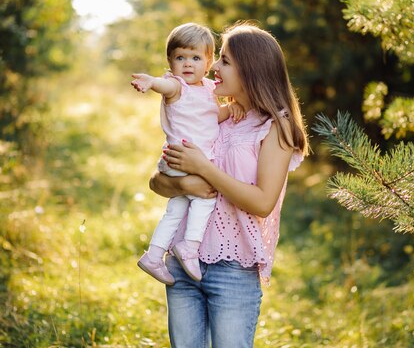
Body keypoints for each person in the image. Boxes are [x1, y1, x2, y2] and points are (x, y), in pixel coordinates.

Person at [149, 21, 309, 348]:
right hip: (182, 263)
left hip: (232, 270)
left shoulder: (275, 126)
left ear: (250, 70)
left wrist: (204, 169)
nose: (214, 67)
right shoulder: (211, 115)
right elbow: (157, 182)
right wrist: (188, 186)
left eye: (224, 60)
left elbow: (263, 201)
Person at [131, 23, 244, 285]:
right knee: (205, 199)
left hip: (184, 161)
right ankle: (189, 247)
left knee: (176, 208)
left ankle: (154, 255)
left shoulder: (206, 89)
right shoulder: (176, 85)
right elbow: (165, 87)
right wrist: (152, 82)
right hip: (182, 159)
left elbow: (211, 117)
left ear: (208, 62)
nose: (187, 64)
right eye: (180, 58)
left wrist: (233, 109)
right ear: (170, 62)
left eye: (195, 58)